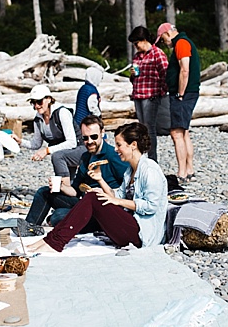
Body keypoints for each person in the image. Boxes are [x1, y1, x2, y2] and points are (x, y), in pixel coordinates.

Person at [27, 122, 167, 254]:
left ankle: (54, 242)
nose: (116, 149)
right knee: (93, 195)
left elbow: (150, 206)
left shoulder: (150, 170)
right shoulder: (130, 170)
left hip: (142, 235)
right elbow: (118, 194)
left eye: (119, 145)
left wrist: (117, 202)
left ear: (133, 145)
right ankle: (51, 239)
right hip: (130, 226)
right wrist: (101, 184)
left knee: (88, 201)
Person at [25, 115, 129, 227]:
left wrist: (104, 191)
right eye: (85, 138)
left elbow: (127, 189)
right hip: (85, 203)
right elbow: (75, 191)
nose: (89, 141)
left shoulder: (113, 156)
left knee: (58, 216)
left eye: (94, 137)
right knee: (44, 192)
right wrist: (62, 187)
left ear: (102, 133)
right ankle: (28, 227)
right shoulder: (85, 156)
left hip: (103, 208)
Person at [156, 22, 200, 183]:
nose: (164, 43)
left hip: (184, 94)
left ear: (167, 33)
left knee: (176, 133)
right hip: (188, 93)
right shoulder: (184, 41)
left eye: (162, 39)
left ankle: (182, 172)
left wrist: (180, 93)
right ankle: (189, 170)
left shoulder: (181, 43)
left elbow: (185, 69)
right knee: (184, 131)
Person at [16, 84, 78, 177]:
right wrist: (20, 142)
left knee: (57, 156)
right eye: (33, 102)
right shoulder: (38, 119)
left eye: (39, 102)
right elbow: (36, 144)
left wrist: (47, 150)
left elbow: (72, 143)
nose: (36, 106)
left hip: (79, 149)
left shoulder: (62, 113)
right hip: (62, 153)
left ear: (49, 99)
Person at [127, 25, 169, 163]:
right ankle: (143, 157)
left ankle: (152, 159)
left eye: (136, 43)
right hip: (138, 94)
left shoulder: (158, 53)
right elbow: (134, 78)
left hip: (151, 95)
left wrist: (161, 91)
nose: (135, 46)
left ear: (144, 39)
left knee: (149, 128)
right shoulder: (137, 56)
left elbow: (165, 74)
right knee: (142, 127)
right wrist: (132, 76)